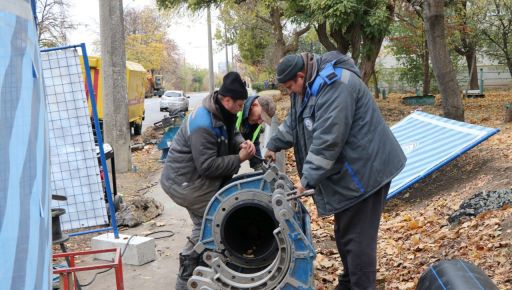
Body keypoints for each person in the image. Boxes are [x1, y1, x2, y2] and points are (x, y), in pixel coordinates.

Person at [265, 51, 406, 290]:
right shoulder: (306, 86)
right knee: (344, 234)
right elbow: (295, 123)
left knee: (358, 240)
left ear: (300, 75)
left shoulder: (336, 84)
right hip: (350, 173)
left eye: (291, 86)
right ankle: (349, 282)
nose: (291, 92)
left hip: (366, 172)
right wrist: (273, 144)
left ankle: (360, 285)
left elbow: (328, 140)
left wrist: (306, 180)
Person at [160, 71, 256, 290]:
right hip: (185, 183)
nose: (242, 109)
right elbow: (207, 166)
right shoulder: (203, 122)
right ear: (227, 100)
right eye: (240, 105)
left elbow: (232, 134)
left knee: (210, 223)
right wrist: (239, 159)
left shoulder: (223, 110)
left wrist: (241, 143)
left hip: (193, 178)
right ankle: (187, 277)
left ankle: (204, 268)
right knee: (211, 223)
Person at [235, 95, 276, 170]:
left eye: (263, 120)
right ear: (254, 105)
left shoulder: (256, 123)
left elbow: (255, 144)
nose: (260, 122)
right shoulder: (236, 111)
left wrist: (259, 166)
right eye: (260, 117)